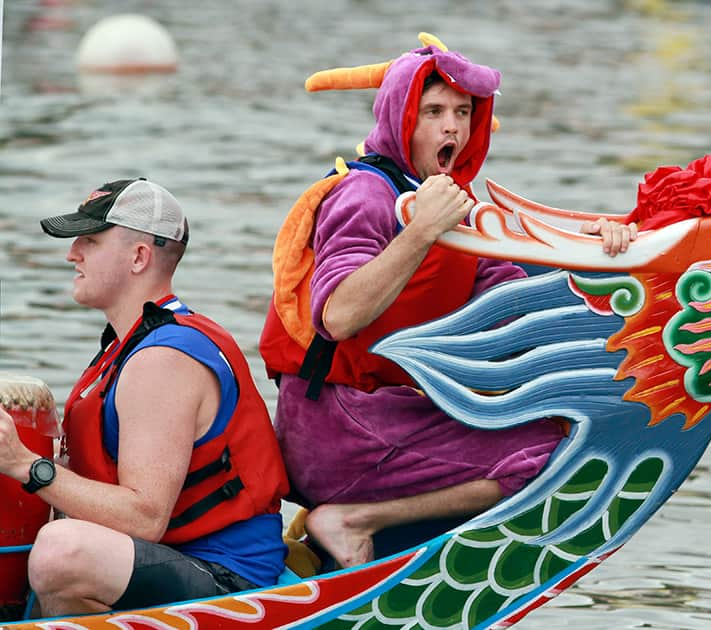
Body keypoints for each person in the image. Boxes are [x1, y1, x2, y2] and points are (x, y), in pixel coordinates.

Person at [260, 40, 637, 569]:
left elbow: (515, 306)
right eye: (433, 112)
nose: (451, 129)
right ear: (401, 117)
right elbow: (338, 316)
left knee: (566, 424)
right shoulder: (365, 195)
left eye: (462, 113)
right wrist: (421, 232)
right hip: (338, 426)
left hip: (388, 414)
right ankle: (355, 518)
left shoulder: (451, 205)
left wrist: (599, 251)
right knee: (551, 458)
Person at [0, 178, 289, 617]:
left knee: (62, 550)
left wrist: (25, 465)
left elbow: (144, 518)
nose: (71, 254)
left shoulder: (164, 360)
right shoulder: (127, 344)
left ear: (139, 257)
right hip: (169, 559)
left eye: (90, 241)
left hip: (229, 582)